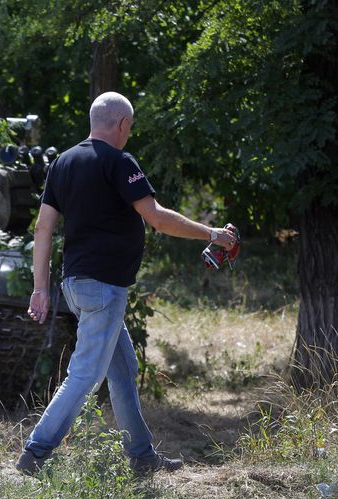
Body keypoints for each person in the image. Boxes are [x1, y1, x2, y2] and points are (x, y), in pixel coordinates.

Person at [15, 92, 237, 476]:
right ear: (122, 124)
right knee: (85, 375)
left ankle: (142, 455)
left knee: (121, 369)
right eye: (129, 127)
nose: (128, 134)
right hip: (103, 287)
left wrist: (40, 288)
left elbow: (42, 228)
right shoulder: (120, 162)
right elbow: (157, 218)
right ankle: (35, 452)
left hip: (76, 285)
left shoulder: (63, 162)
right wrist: (212, 233)